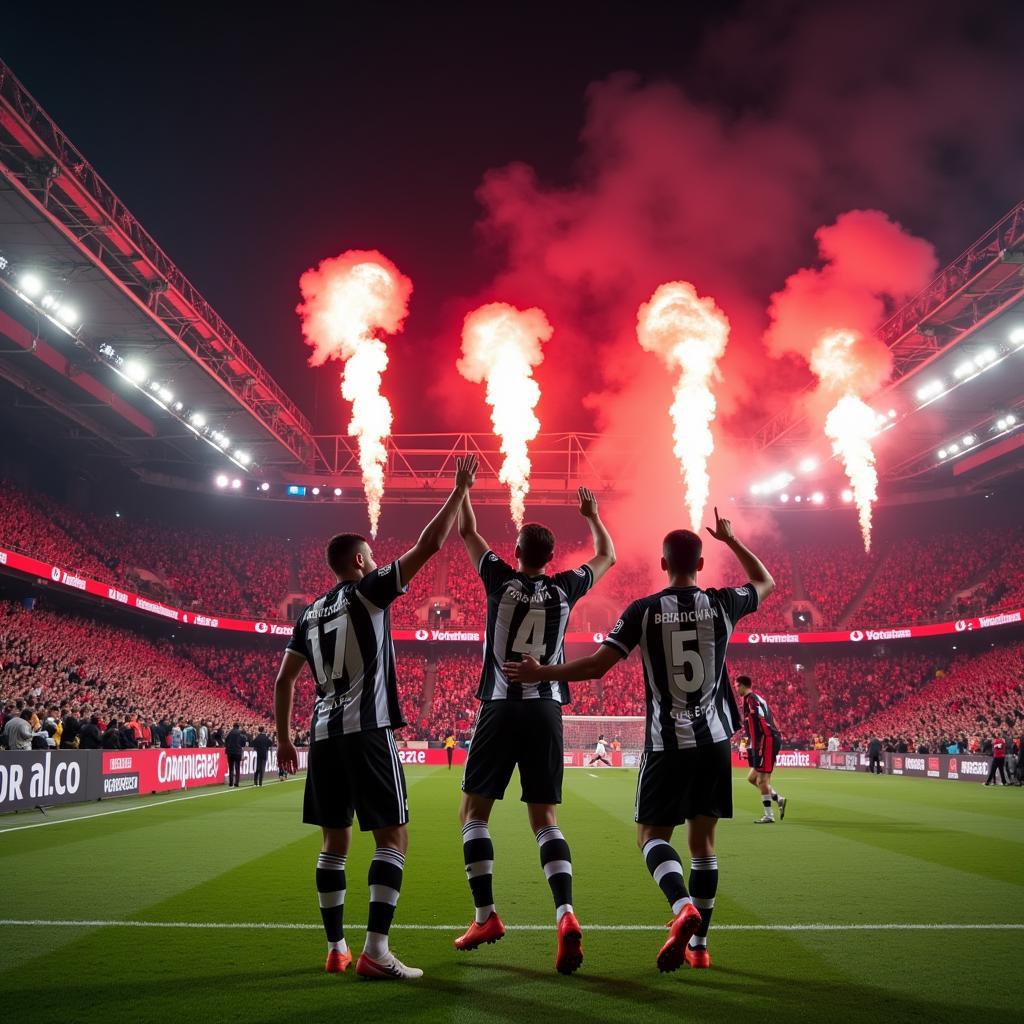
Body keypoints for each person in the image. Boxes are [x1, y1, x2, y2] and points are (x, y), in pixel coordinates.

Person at [506, 508, 773, 973]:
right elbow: (765, 581)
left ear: (663, 563)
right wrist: (731, 540)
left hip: (667, 745)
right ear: (702, 564)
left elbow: (594, 667)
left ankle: (681, 906)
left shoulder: (644, 612)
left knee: (651, 837)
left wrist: (541, 672)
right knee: (704, 845)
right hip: (713, 742)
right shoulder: (723, 603)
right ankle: (700, 945)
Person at [274, 455, 478, 981]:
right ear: (362, 562)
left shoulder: (309, 614)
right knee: (393, 838)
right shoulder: (367, 592)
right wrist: (458, 490)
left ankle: (337, 947)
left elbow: (284, 681)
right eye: (371, 555)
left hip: (321, 735)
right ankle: (376, 951)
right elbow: (430, 545)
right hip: (367, 732)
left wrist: (284, 740)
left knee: (333, 843)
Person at [453, 483, 616, 976]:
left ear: (518, 552)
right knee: (545, 819)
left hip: (501, 707)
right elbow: (607, 554)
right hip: (546, 708)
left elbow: (466, 529)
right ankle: (565, 913)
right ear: (550, 557)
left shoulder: (499, 579)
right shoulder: (566, 587)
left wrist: (462, 488)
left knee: (473, 815)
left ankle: (486, 916)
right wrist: (591, 514)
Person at [735, 677, 786, 823]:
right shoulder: (751, 699)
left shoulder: (752, 700)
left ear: (743, 686)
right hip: (762, 741)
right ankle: (778, 798)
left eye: (737, 686)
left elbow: (762, 720)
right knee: (751, 779)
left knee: (762, 780)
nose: (736, 689)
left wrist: (758, 743)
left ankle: (769, 815)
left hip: (766, 741)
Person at [225, 722, 245, 787]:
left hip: (230, 752)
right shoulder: (240, 733)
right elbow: (243, 743)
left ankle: (230, 783)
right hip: (237, 752)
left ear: (233, 726)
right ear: (238, 726)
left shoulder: (230, 733)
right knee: (237, 767)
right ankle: (236, 782)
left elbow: (226, 741)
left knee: (231, 768)